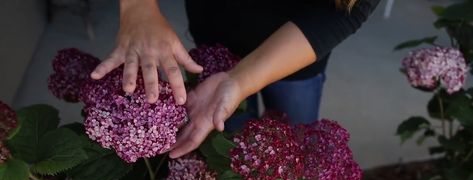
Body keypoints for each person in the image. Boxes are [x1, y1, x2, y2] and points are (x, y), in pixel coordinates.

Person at [90, 0, 380, 159]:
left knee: (297, 142)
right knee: (231, 147)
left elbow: (347, 12)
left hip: (299, 54)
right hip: (216, 32)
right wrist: (138, 8)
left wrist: (242, 80)